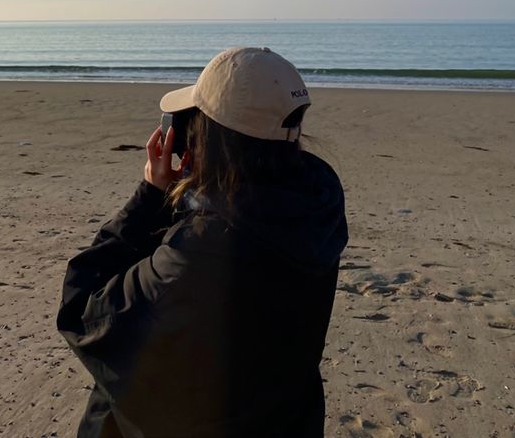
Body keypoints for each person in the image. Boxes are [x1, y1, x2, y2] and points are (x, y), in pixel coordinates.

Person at [57, 46, 348, 438]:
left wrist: (151, 197)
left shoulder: (200, 251)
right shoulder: (316, 204)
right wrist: (199, 201)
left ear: (209, 138)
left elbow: (83, 311)